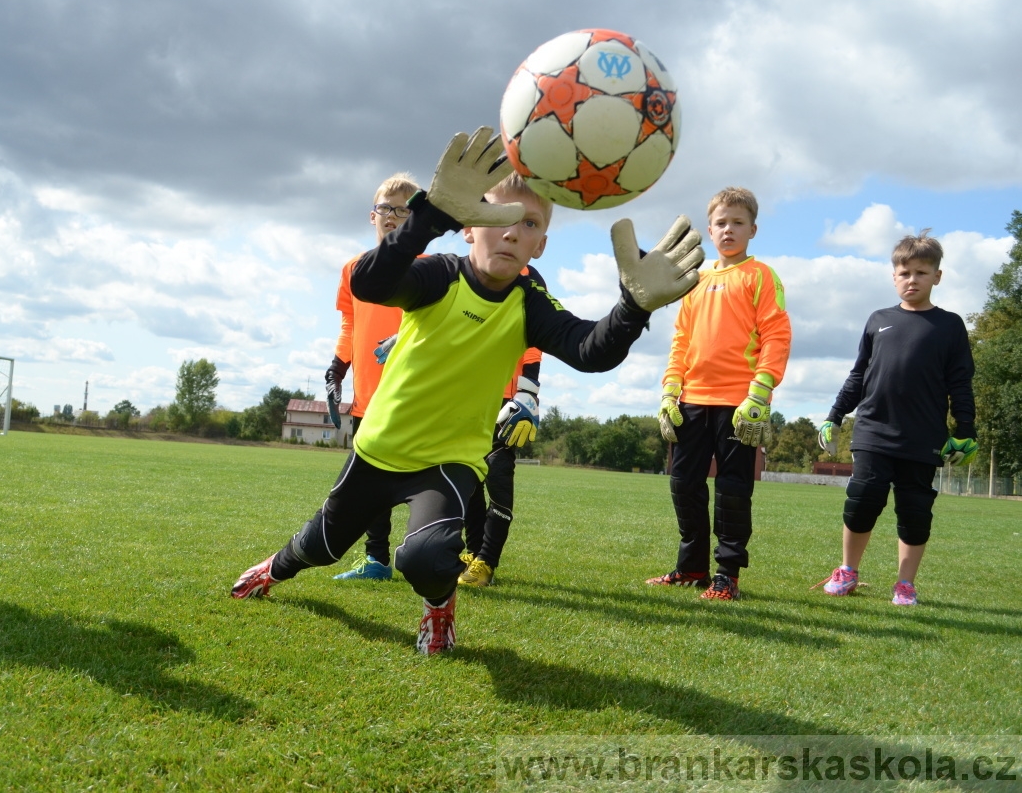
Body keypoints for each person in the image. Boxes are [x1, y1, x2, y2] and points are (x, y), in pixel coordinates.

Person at [232, 126, 704, 654]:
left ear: (541, 245)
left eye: (529, 224)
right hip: (380, 450)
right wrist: (428, 217)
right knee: (320, 546)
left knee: (425, 557)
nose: (512, 234)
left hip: (449, 463)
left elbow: (589, 350)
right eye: (499, 218)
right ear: (469, 228)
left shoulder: (528, 300)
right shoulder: (440, 276)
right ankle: (273, 569)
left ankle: (439, 609)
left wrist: (633, 307)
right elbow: (370, 283)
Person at [815, 231, 976, 606]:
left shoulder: (950, 326)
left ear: (937, 276)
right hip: (873, 430)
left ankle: (905, 585)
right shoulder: (879, 320)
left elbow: (960, 384)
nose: (912, 280)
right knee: (862, 499)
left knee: (915, 511)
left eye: (921, 272)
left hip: (924, 436)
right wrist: (834, 416)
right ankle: (848, 571)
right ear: (894, 276)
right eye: (905, 273)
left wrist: (965, 430)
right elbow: (858, 375)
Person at [648, 186, 791, 601]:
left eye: (738, 223)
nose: (729, 230)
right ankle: (691, 567)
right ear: (709, 230)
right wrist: (669, 392)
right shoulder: (695, 280)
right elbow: (681, 339)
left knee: (732, 491)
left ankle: (727, 575)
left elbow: (777, 335)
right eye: (721, 223)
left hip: (738, 405)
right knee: (683, 484)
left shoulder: (761, 275)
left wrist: (760, 394)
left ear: (753, 230)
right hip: (691, 401)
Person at [326, 173, 420, 581]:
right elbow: (350, 324)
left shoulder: (431, 269)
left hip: (417, 394)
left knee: (431, 476)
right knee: (369, 482)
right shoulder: (353, 269)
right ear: (372, 215)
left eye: (404, 210)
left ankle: (458, 555)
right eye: (386, 208)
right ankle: (377, 560)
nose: (393, 215)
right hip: (368, 394)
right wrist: (336, 368)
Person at [458, 346, 542, 588]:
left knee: (497, 473)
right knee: (468, 474)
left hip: (507, 397)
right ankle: (474, 553)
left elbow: (534, 343)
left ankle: (487, 561)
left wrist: (529, 392)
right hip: (466, 391)